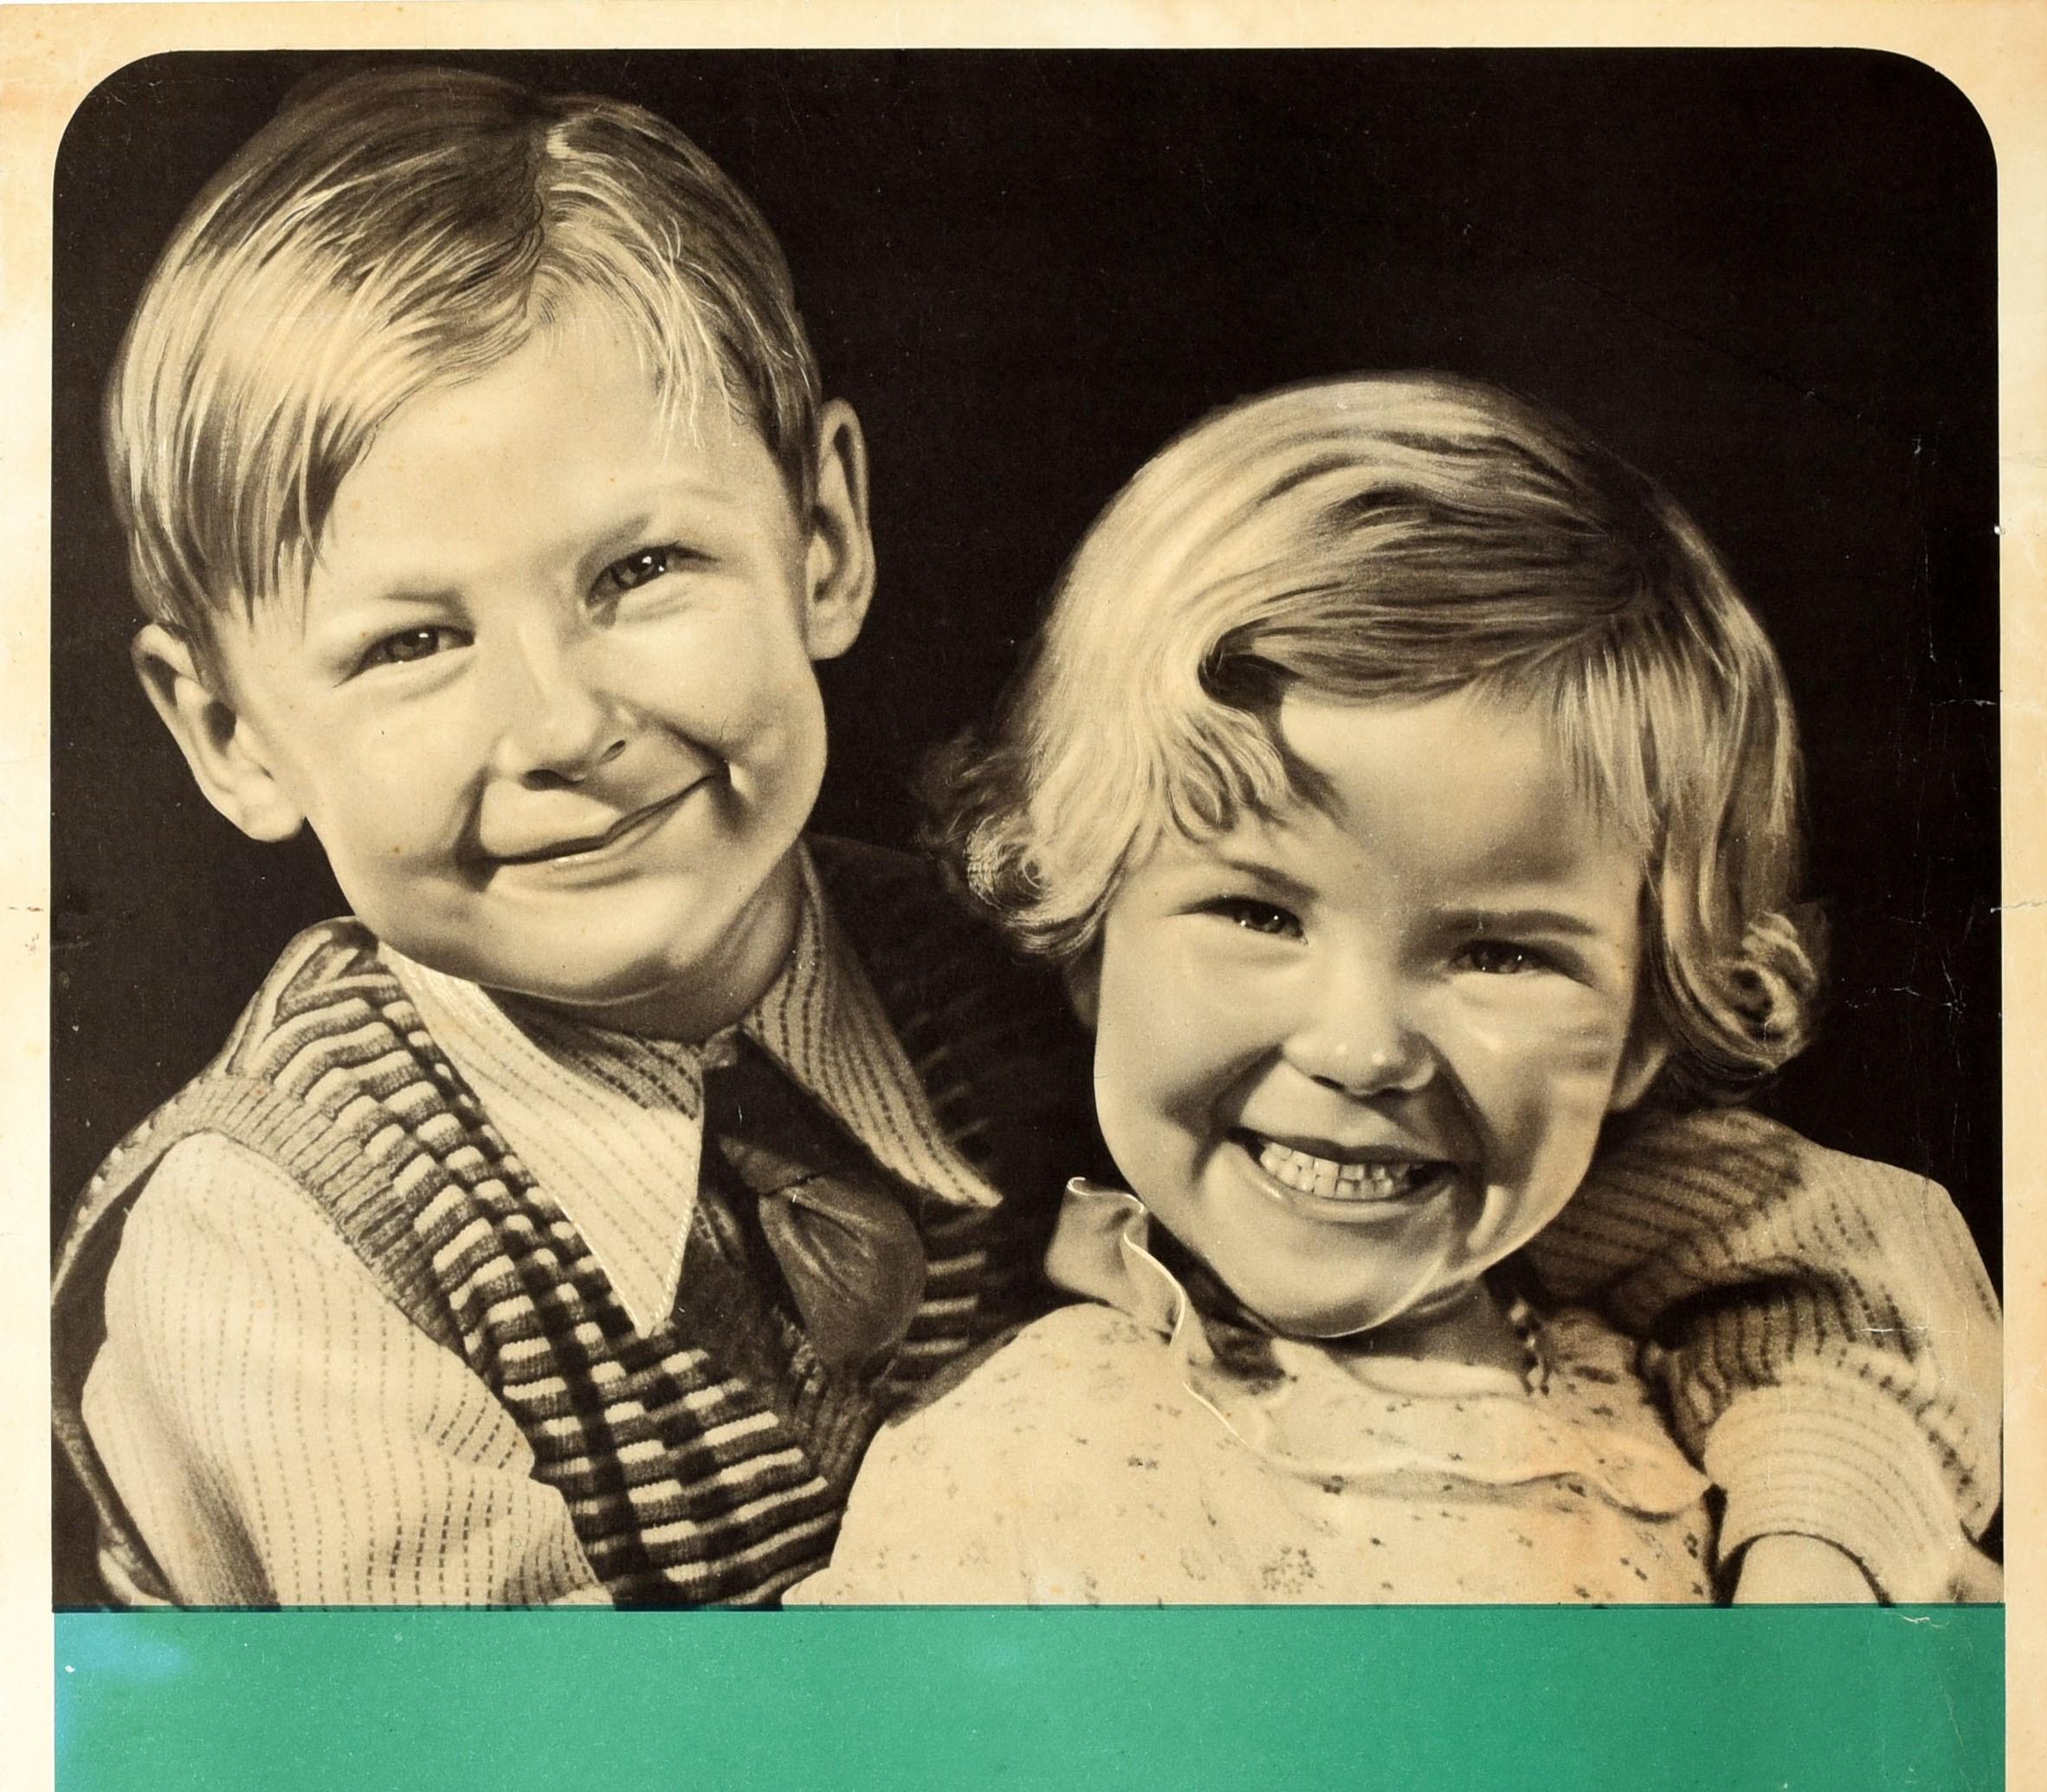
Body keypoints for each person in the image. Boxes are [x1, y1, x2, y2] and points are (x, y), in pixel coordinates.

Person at [51, 70, 1992, 1607]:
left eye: (642, 569)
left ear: (823, 536)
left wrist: (1813, 1567)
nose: (564, 725)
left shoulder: (1058, 967)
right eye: (411, 642)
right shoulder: (273, 1253)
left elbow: (1824, 1237)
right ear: (228, 730)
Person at [794, 374, 2003, 1604]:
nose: (1364, 1049)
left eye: (1498, 953)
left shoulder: (1713, 1411)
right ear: (1090, 935)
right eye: (1259, 913)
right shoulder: (1020, 1474)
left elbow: (1840, 1246)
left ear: (1647, 1020)